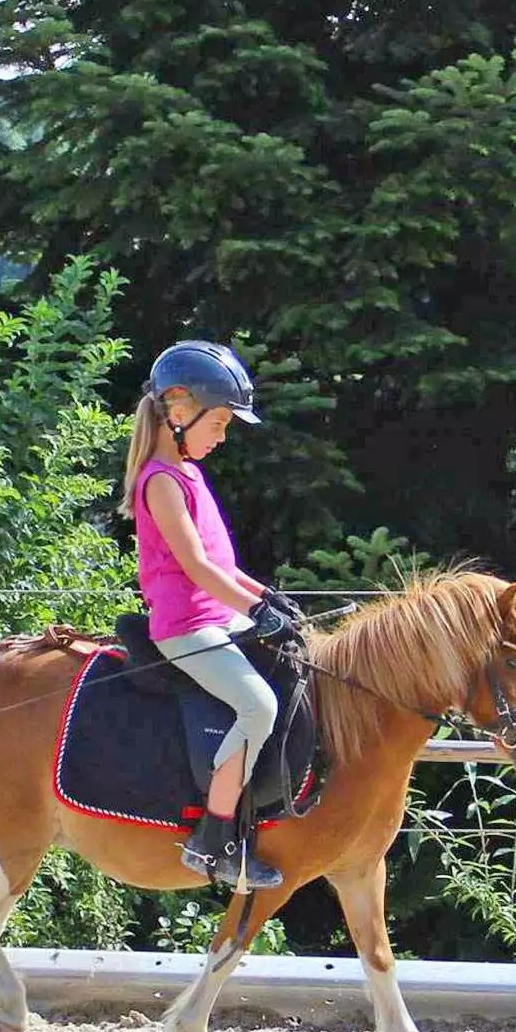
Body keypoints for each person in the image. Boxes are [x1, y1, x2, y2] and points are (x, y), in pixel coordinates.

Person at [121, 339, 304, 890]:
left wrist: (267, 598)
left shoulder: (191, 474)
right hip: (188, 629)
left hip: (220, 618)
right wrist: (254, 609)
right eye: (219, 423)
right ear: (179, 412)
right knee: (258, 706)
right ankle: (215, 839)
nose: (222, 436)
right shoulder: (160, 481)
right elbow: (197, 568)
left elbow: (224, 565)